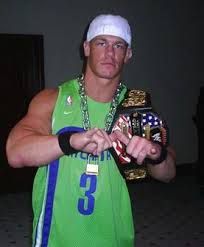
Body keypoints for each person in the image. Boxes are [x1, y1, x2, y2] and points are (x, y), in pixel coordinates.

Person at [6, 14, 176, 247]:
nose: (109, 53)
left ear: (128, 54)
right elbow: (15, 153)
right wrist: (71, 141)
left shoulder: (137, 105)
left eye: (118, 45)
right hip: (55, 237)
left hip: (114, 237)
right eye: (101, 43)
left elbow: (168, 174)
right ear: (86, 48)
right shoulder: (52, 99)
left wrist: (156, 154)